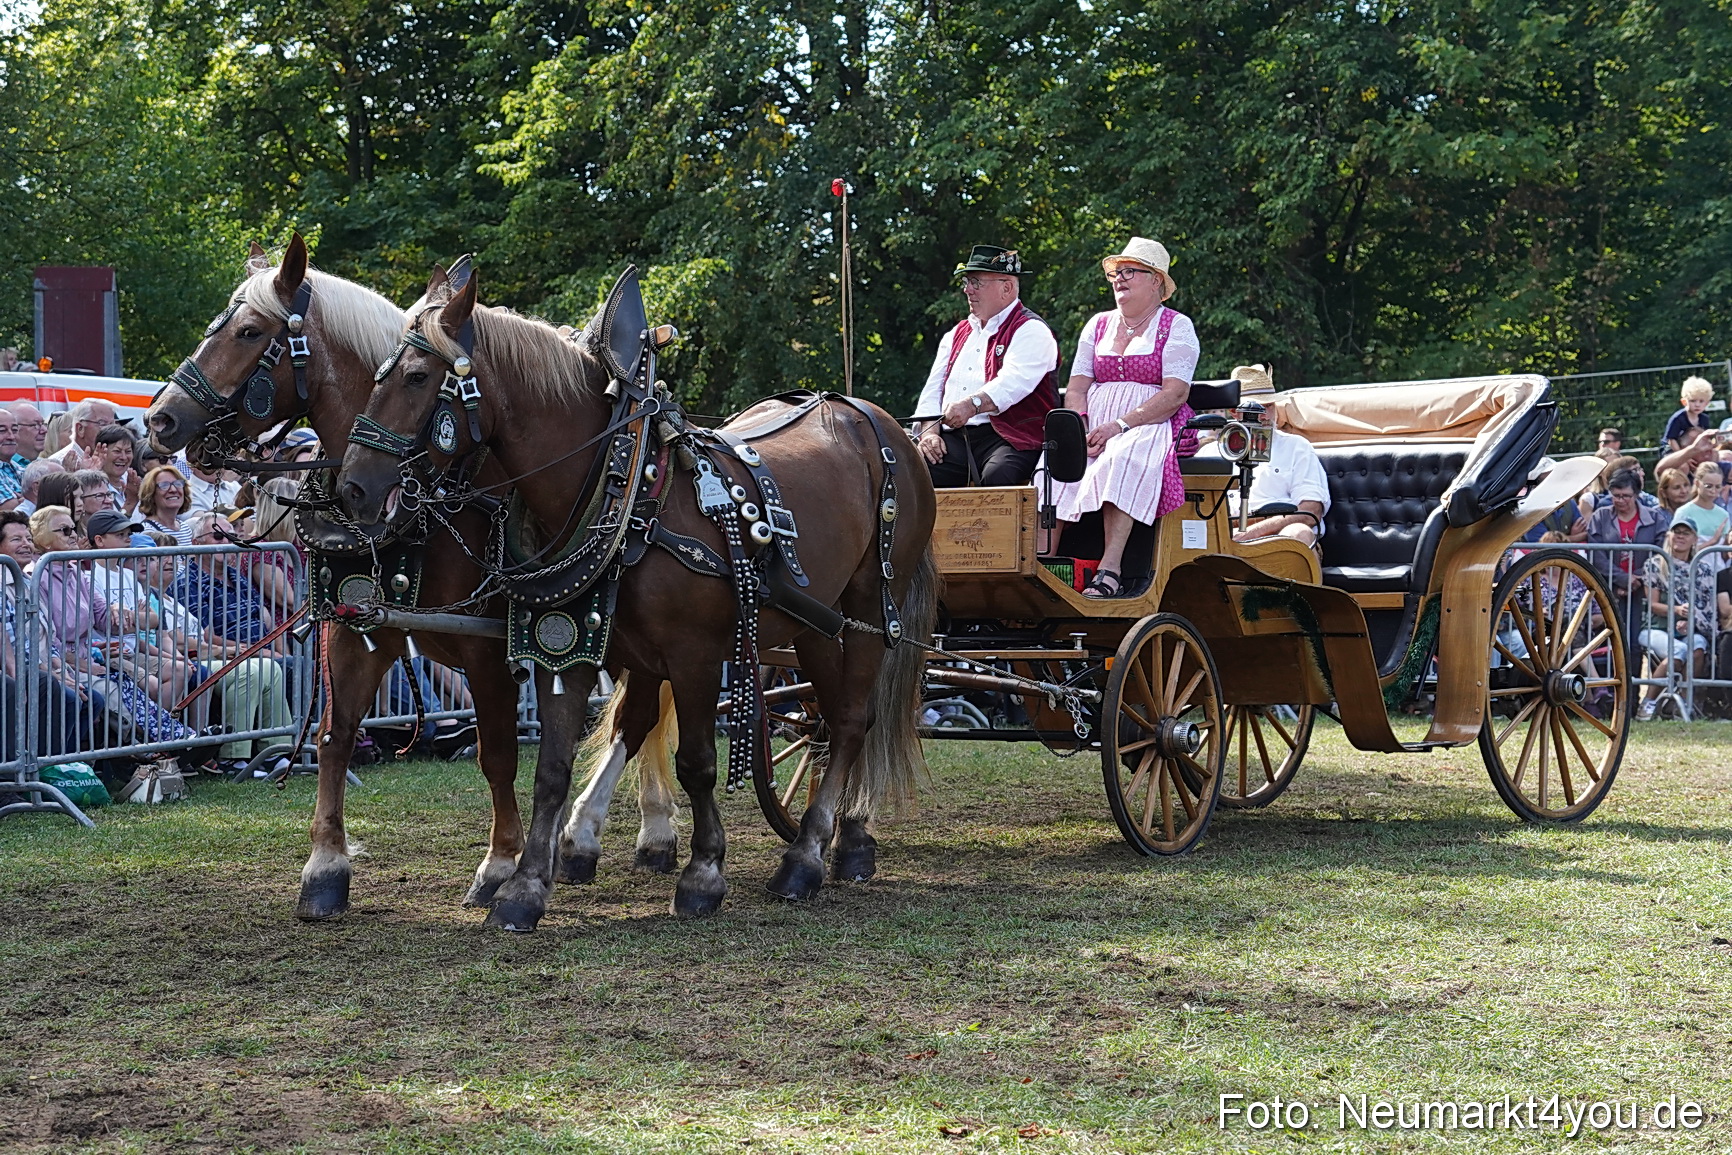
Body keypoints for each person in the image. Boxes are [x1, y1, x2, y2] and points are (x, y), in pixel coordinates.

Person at [1047, 237, 1201, 597]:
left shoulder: (1176, 326)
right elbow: (1077, 387)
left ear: (1156, 282)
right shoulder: (1098, 325)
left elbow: (1175, 393)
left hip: (1149, 424)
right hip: (1093, 426)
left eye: (1130, 271)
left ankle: (1110, 570)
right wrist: (1079, 425)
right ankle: (1045, 565)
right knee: (1050, 465)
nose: (1119, 278)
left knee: (1122, 457)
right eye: (1116, 272)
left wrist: (1119, 425)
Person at [914, 245, 1059, 487]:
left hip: (1010, 437)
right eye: (967, 282)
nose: (968, 290)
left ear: (1007, 287)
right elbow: (933, 389)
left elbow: (1012, 383)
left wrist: (971, 405)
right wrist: (929, 432)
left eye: (976, 282)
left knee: (998, 476)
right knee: (912, 471)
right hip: (956, 438)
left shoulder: (1032, 330)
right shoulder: (956, 333)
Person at [1228, 366, 1330, 548]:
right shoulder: (1212, 451)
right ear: (1234, 412)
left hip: (1283, 537)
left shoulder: (1296, 446)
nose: (1266, 416)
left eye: (1269, 406)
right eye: (1256, 408)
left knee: (1298, 532)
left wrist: (1252, 532)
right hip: (1226, 537)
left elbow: (1311, 512)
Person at [1583, 468, 1667, 664]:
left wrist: (1637, 578)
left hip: (1643, 590)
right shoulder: (1600, 517)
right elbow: (1596, 553)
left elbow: (1659, 552)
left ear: (1637, 494)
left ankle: (1634, 691)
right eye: (1616, 496)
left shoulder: (1655, 519)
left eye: (1626, 496)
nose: (1620, 500)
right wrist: (1622, 579)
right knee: (1611, 639)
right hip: (1608, 588)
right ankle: (1610, 689)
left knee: (1635, 642)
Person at [1636, 520, 1716, 719]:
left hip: (1691, 629)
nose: (1680, 536)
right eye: (1676, 532)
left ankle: (1685, 703)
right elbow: (1653, 604)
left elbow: (1706, 609)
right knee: (1677, 650)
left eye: (1686, 533)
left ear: (1695, 539)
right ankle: (1648, 703)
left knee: (1698, 647)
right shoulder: (1656, 564)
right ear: (1669, 536)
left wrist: (1691, 622)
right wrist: (1678, 611)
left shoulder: (1704, 569)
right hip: (1655, 628)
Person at [47, 399, 119, 469]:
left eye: (112, 424)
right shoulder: (58, 463)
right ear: (80, 429)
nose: (110, 430)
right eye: (102, 423)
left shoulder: (115, 459)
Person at [1672, 461, 1730, 548]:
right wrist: (1712, 541)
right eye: (1708, 486)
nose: (1713, 491)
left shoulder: (1723, 514)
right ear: (1697, 483)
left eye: (1718, 486)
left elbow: (1725, 554)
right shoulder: (1684, 512)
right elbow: (1678, 550)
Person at [137, 465, 195, 544]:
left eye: (178, 484)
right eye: (164, 485)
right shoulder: (146, 531)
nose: (173, 490)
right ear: (151, 493)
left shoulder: (185, 529)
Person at [90, 424, 140, 513]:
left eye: (128, 451)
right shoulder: (92, 488)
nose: (123, 457)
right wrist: (130, 503)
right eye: (117, 451)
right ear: (101, 451)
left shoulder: (133, 483)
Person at [1663, 377, 1716, 452]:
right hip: (1673, 450)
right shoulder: (1678, 418)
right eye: (1693, 401)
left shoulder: (1704, 419)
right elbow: (1671, 440)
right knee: (1683, 464)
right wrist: (1683, 457)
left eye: (1701, 401)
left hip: (1693, 450)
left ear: (1707, 403)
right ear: (1684, 402)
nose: (1697, 404)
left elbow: (1706, 438)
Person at [70, 469, 117, 533]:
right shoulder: (72, 535)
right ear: (81, 500)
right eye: (99, 496)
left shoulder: (117, 529)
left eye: (108, 494)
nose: (108, 501)